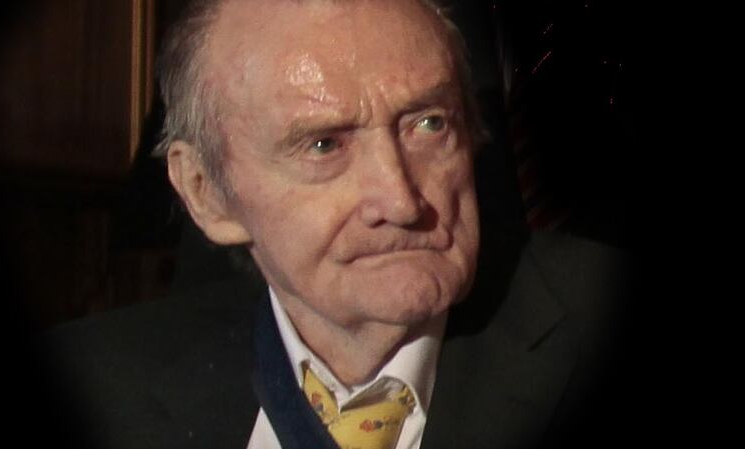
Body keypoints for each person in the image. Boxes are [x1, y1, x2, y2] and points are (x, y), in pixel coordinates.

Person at [45, 0, 628, 448]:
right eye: (324, 144)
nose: (400, 201)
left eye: (427, 126)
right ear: (206, 195)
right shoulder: (92, 383)